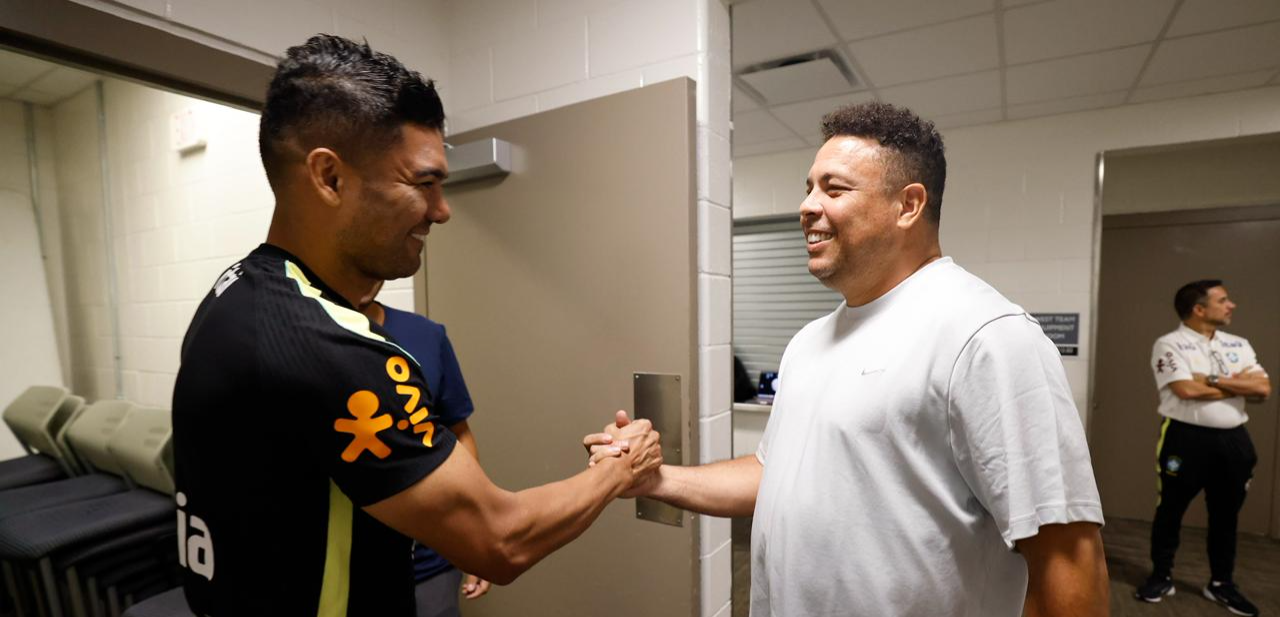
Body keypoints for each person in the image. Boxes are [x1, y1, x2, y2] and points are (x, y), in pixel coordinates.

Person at [172, 34, 661, 616]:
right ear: (329, 178)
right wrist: (619, 468)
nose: (442, 210)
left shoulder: (236, 294)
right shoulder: (331, 348)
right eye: (422, 184)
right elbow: (499, 540)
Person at [589, 102, 1110, 616]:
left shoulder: (985, 337)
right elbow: (779, 473)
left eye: (833, 189)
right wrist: (654, 481)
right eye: (808, 187)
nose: (808, 206)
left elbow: (1070, 566)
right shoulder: (810, 341)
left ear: (908, 206)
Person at [1135, 280, 1270, 615]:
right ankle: (1161, 575)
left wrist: (1209, 379)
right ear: (1199, 309)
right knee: (1170, 510)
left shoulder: (1238, 343)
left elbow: (1263, 389)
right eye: (1223, 300)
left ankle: (1221, 584)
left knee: (1226, 515)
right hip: (1185, 439)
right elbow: (1184, 390)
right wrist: (1239, 385)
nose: (1232, 305)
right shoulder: (1170, 344)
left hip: (1234, 440)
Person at [359, 285, 489, 616]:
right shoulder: (304, 336)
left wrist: (475, 531)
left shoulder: (425, 335)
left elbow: (458, 432)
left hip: (432, 563)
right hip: (349, 571)